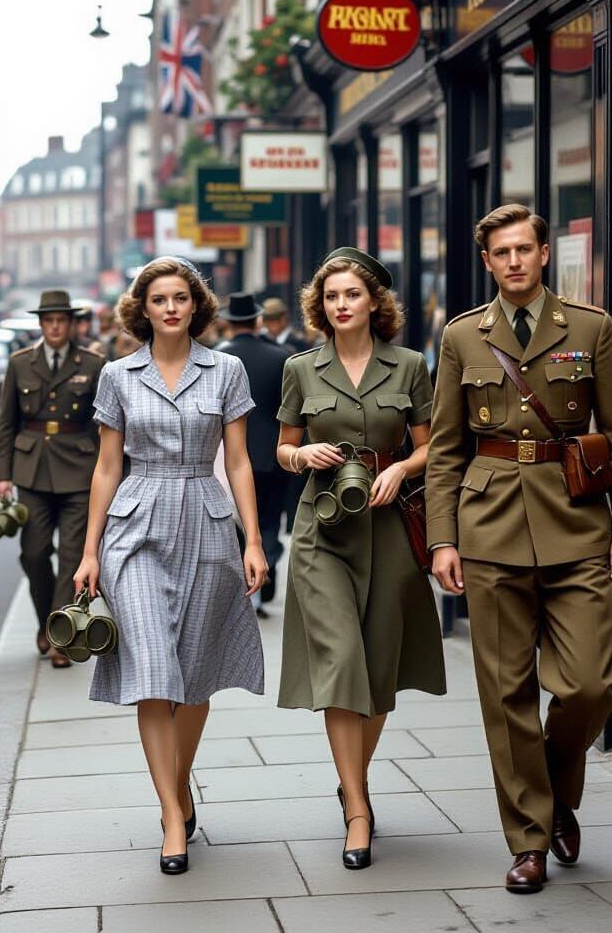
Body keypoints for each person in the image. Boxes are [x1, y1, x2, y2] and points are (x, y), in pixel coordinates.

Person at [426, 203, 612, 894]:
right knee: (506, 694)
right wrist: (442, 540)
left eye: (525, 249)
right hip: (489, 527)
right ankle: (529, 840)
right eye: (502, 253)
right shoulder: (464, 337)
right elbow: (444, 451)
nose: (514, 261)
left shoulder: (590, 327)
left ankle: (551, 784)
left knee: (591, 682)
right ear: (487, 262)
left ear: (545, 254)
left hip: (577, 523)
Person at [73, 256, 267, 876]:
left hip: (207, 522)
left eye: (181, 297)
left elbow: (238, 462)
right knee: (154, 670)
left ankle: (179, 786)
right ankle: (173, 816)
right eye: (159, 299)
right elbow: (107, 467)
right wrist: (89, 551)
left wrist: (254, 540)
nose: (171, 308)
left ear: (195, 305)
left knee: (195, 673)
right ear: (143, 309)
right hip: (136, 525)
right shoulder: (118, 375)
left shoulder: (227, 369)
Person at [275, 247, 446, 872]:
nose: (340, 304)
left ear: (375, 301)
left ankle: (354, 782)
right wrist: (303, 458)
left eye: (351, 294)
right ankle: (357, 807)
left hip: (389, 527)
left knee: (376, 673)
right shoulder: (301, 367)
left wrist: (401, 466)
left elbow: (433, 448)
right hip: (323, 530)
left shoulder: (409, 367)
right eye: (330, 296)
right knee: (342, 662)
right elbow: (282, 447)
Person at [0, 290, 105, 669]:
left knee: (73, 557)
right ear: (41, 324)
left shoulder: (93, 363)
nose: (55, 326)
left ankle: (62, 638)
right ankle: (46, 620)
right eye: (49, 320)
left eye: (62, 320)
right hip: (32, 471)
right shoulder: (20, 362)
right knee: (34, 553)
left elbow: (103, 426)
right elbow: (6, 422)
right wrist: (2, 474)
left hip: (79, 469)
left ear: (72, 324)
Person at [214, 292, 293, 616]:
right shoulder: (281, 357)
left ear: (228, 324)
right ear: (257, 321)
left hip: (230, 456)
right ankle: (267, 561)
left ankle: (248, 577)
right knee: (270, 520)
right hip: (271, 453)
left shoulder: (217, 358)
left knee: (236, 523)